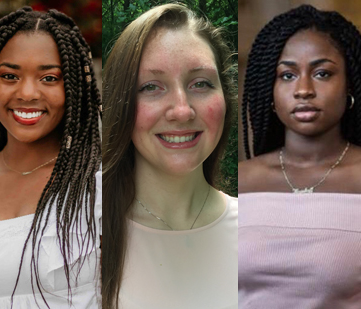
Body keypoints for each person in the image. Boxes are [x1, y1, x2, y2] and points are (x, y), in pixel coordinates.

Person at [239, 4, 361, 308]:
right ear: (269, 91)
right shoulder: (238, 182)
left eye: (322, 73)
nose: (303, 89)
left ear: (350, 84)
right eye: (287, 75)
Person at [0, 7, 102, 308]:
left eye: (49, 78)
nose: (27, 93)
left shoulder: (103, 188)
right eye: (10, 76)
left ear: (75, 89)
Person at [102, 3, 238, 309]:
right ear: (121, 105)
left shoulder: (256, 231)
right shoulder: (85, 236)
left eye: (200, 83)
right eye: (151, 87)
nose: (182, 110)